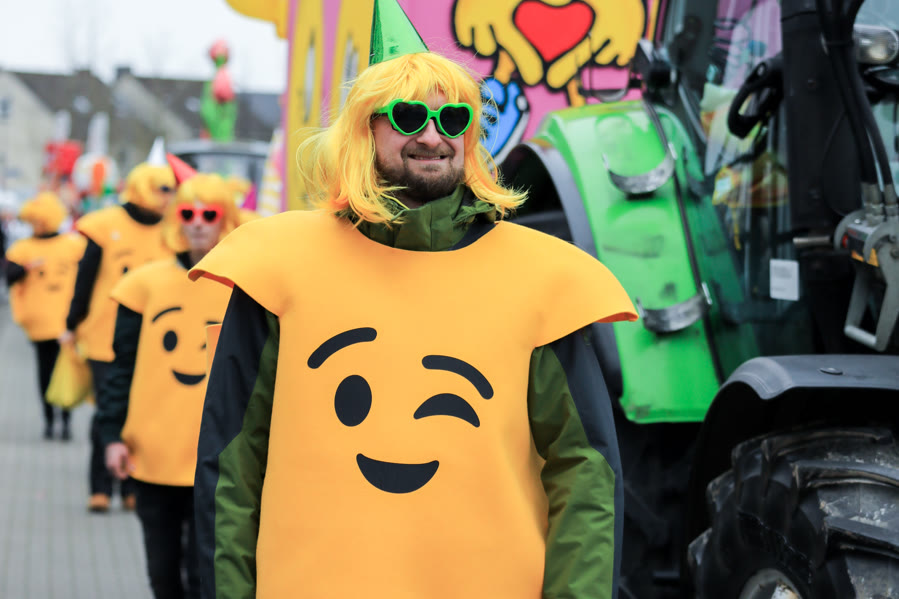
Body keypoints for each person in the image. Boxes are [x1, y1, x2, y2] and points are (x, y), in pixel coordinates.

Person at [189, 1, 637, 597]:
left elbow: (585, 474)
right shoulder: (277, 266)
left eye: (453, 118)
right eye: (407, 115)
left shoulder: (545, 280)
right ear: (364, 129)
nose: (432, 135)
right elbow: (232, 467)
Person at [96, 159, 239, 599]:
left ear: (225, 219)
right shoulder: (144, 285)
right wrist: (111, 436)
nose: (197, 224)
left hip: (217, 459)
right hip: (152, 453)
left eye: (209, 214)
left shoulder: (245, 288)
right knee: (162, 573)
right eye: (188, 213)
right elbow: (120, 369)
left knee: (203, 574)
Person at [62, 160, 175, 513]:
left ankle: (131, 485)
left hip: (156, 339)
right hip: (103, 336)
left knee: (140, 411)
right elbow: (85, 278)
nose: (168, 197)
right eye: (162, 189)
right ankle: (100, 487)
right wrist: (71, 322)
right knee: (108, 410)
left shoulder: (174, 229)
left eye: (171, 190)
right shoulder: (104, 225)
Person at [5, 192, 85, 440]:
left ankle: (66, 420)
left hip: (67, 320)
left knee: (66, 371)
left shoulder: (73, 245)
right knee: (45, 372)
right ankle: (49, 420)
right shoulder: (22, 248)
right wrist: (25, 268)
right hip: (38, 322)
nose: (36, 226)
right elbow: (9, 276)